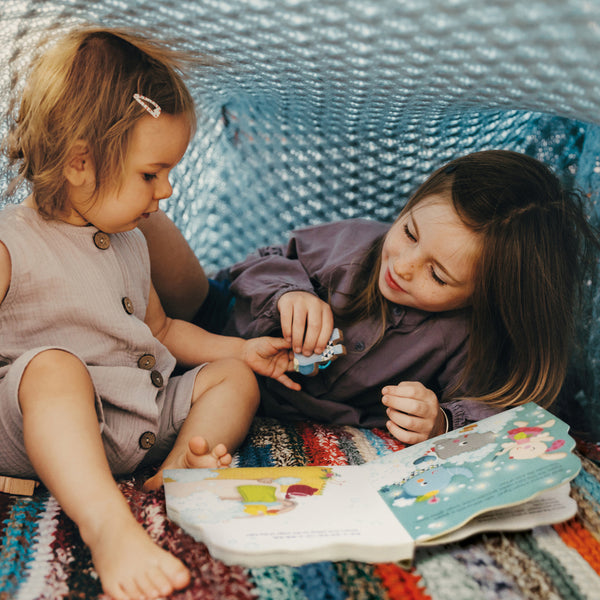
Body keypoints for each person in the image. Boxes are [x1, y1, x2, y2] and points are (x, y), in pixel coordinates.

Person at [0, 28, 299, 600]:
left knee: (234, 380)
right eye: (150, 173)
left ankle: (179, 472)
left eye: (169, 173)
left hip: (136, 417)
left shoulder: (132, 240)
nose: (166, 191)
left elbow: (161, 330)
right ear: (80, 163)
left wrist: (240, 351)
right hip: (35, 428)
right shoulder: (12, 242)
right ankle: (107, 524)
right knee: (53, 369)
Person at [141, 150, 600, 445]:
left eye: (437, 275)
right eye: (410, 232)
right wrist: (289, 294)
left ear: (486, 299)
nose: (402, 266)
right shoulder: (358, 246)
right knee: (156, 239)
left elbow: (507, 409)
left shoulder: (463, 338)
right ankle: (110, 207)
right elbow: (259, 264)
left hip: (232, 386)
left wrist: (439, 420)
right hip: (210, 318)